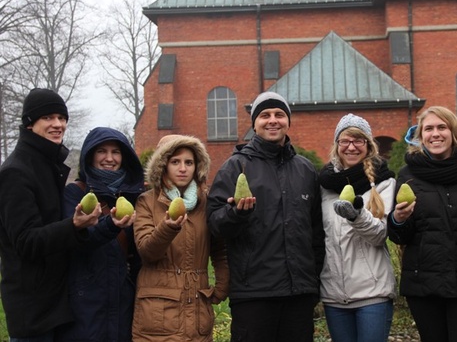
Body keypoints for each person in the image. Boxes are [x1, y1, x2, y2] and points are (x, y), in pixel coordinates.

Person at [207, 91, 325, 342]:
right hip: (254, 294)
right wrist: (235, 214)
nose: (273, 120)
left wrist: (312, 281)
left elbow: (316, 233)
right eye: (265, 115)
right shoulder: (235, 167)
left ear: (288, 121)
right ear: (254, 124)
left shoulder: (305, 170)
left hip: (299, 293)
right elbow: (214, 224)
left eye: (279, 114)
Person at [387, 106, 457, 342]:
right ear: (421, 136)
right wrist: (398, 220)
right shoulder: (408, 174)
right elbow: (399, 236)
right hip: (423, 285)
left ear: (454, 132)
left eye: (441, 127)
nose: (435, 134)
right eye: (429, 129)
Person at [0, 88, 100, 341]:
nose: (58, 124)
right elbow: (25, 241)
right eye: (48, 117)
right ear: (30, 123)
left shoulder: (46, 164)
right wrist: (74, 225)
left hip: (54, 305)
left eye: (62, 117)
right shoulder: (16, 172)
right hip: (33, 312)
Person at [132, 134, 229, 341]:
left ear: (197, 166)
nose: (183, 168)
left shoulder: (206, 202)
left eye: (189, 162)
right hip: (157, 315)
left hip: (197, 312)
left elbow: (219, 249)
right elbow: (146, 252)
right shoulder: (146, 202)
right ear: (163, 165)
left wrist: (221, 287)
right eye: (175, 162)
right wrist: (167, 229)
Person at [56, 127, 145, 341]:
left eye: (116, 152)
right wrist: (111, 225)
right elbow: (76, 239)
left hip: (123, 299)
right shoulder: (75, 193)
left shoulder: (134, 196)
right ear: (90, 155)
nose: (109, 158)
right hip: (85, 300)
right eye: (101, 151)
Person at [318, 113, 397, 342]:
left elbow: (381, 235)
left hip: (372, 294)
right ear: (337, 145)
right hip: (334, 295)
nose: (351, 147)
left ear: (368, 145)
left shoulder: (383, 183)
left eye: (358, 140)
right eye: (345, 140)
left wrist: (357, 216)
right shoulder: (324, 185)